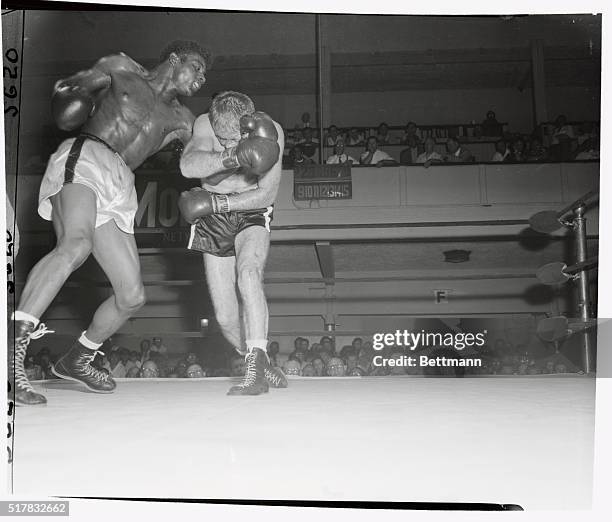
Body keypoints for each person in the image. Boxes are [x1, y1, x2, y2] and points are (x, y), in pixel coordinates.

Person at [8, 40, 210, 405]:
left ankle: (78, 358)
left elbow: (204, 156)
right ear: (175, 58)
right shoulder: (122, 67)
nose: (201, 79)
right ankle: (11, 355)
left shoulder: (184, 120)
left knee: (132, 295)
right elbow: (71, 88)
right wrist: (70, 94)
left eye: (204, 75)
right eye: (197, 67)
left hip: (122, 181)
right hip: (86, 154)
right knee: (75, 244)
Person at [178, 91, 288, 396]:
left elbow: (267, 194)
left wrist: (217, 204)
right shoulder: (203, 124)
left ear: (249, 126)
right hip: (214, 218)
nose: (227, 143)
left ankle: (255, 370)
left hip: (251, 209)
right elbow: (188, 166)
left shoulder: (273, 131)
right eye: (222, 137)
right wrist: (233, 155)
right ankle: (256, 356)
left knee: (249, 273)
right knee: (225, 318)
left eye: (234, 138)